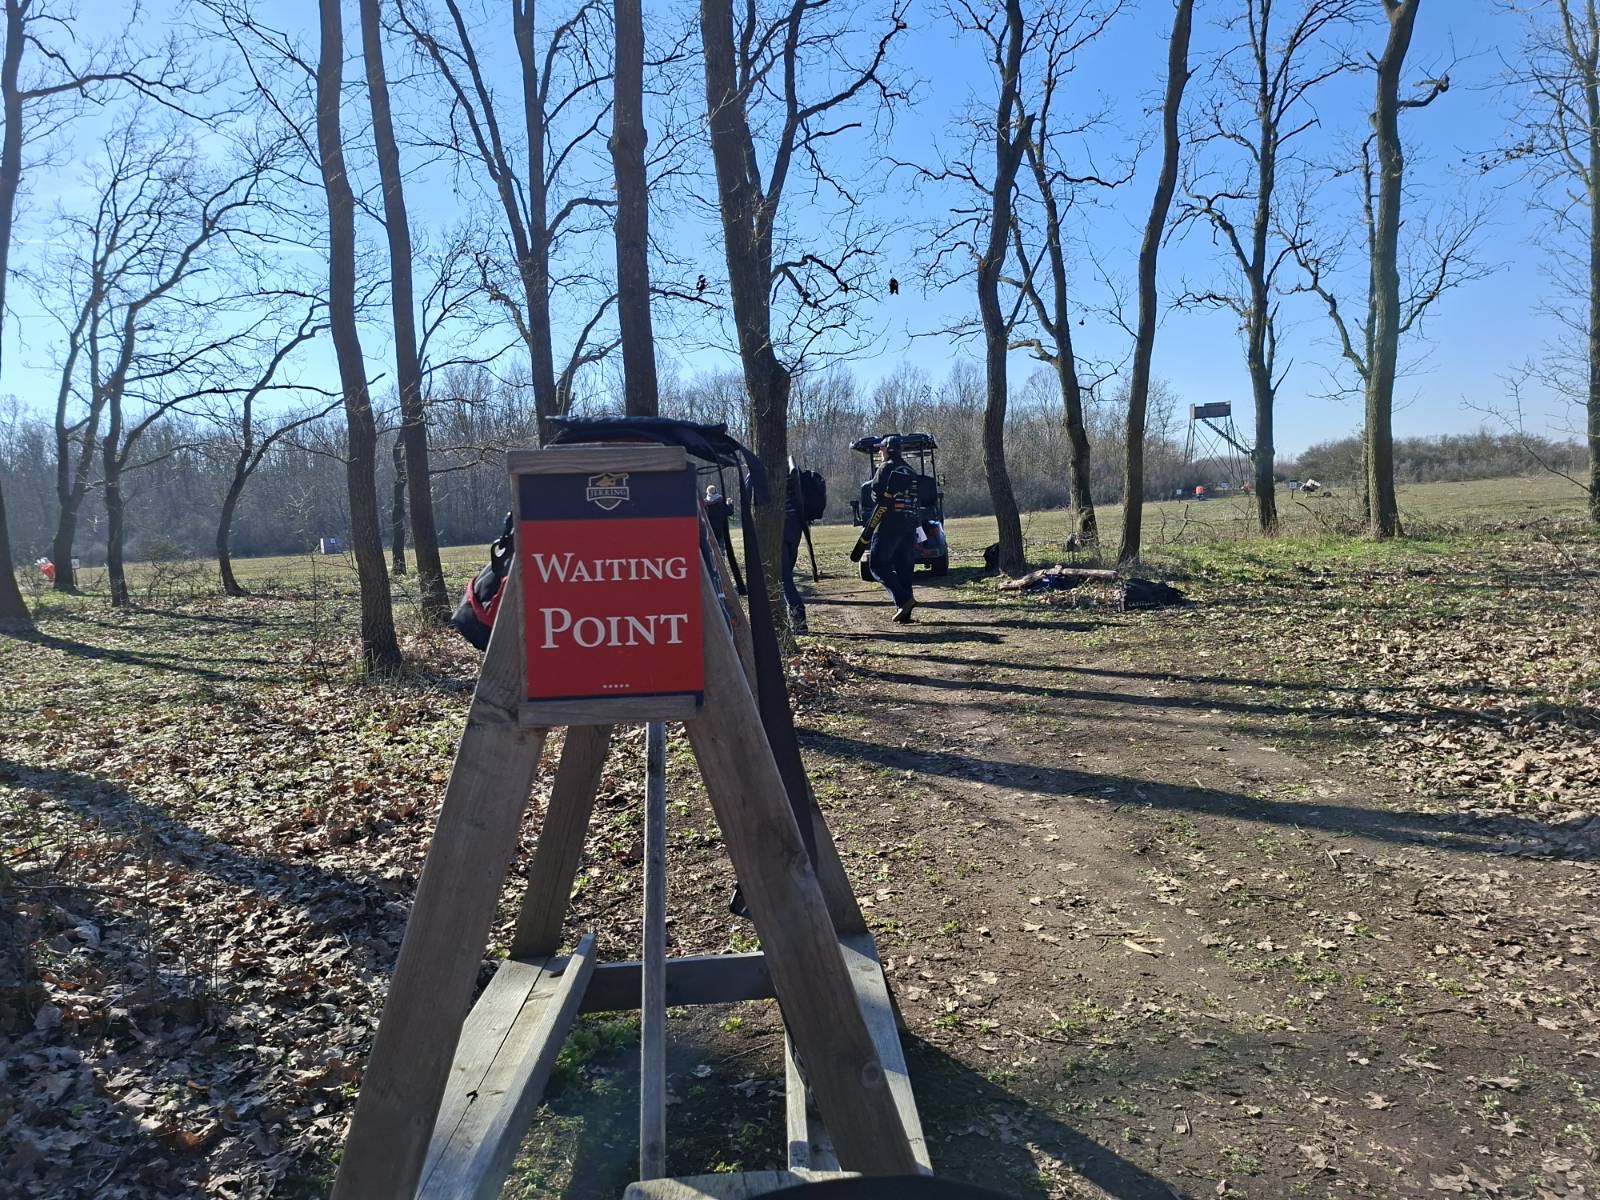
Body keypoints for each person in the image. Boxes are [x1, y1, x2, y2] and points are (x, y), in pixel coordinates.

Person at [865, 436, 919, 622]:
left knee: (877, 565)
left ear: (888, 450)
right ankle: (905, 613)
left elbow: (875, 494)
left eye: (881, 448)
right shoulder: (911, 470)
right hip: (910, 526)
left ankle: (903, 600)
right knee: (904, 569)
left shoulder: (886, 467)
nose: (880, 451)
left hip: (889, 525)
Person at [781, 466, 808, 634]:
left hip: (779, 531)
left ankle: (799, 621)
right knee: (786, 577)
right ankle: (795, 619)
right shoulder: (791, 474)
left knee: (784, 579)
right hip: (794, 528)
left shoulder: (762, 473)